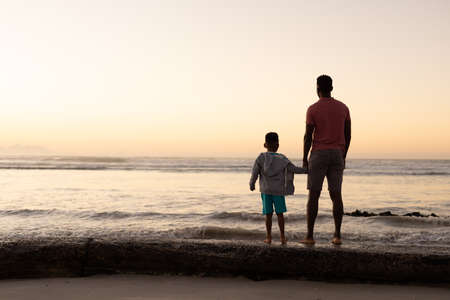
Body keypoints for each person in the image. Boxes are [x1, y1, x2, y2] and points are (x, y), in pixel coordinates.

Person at [301, 75, 351, 245]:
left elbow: (308, 136)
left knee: (314, 195)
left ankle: (309, 236)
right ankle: (337, 236)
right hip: (337, 153)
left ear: (317, 88)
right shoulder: (343, 108)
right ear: (332, 88)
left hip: (319, 154)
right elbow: (348, 134)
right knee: (336, 195)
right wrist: (343, 154)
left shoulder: (313, 109)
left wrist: (304, 158)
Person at [250, 132, 307, 245]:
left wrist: (252, 183)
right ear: (278, 145)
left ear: (265, 144)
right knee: (280, 214)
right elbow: (294, 169)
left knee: (268, 214)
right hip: (278, 191)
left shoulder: (261, 158)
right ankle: (282, 237)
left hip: (266, 191)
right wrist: (306, 170)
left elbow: (254, 172)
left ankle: (269, 237)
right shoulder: (282, 159)